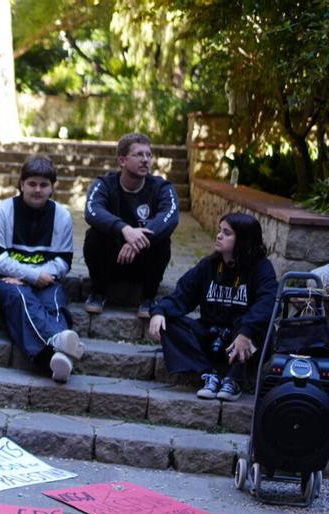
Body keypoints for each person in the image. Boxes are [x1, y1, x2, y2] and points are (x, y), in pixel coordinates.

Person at [148, 213, 277, 402]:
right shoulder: (208, 266)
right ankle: (208, 374)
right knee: (170, 322)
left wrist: (246, 332)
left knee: (262, 325)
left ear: (243, 239)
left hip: (243, 340)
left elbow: (267, 303)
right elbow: (182, 295)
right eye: (219, 231)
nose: (219, 236)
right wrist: (159, 312)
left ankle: (234, 379)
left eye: (227, 233)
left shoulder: (261, 268)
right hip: (211, 335)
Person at [0, 156, 85, 383]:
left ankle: (58, 359)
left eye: (43, 185)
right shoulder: (2, 211)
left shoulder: (62, 216)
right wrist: (32, 275)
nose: (37, 190)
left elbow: (63, 260)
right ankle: (58, 346)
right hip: (7, 280)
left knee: (55, 301)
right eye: (32, 184)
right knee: (21, 298)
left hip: (46, 279)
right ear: (21, 184)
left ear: (52, 188)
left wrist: (39, 277)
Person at [82, 132, 180, 318]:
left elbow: (171, 216)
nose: (145, 160)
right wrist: (124, 229)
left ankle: (148, 298)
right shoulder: (103, 184)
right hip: (112, 261)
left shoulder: (161, 187)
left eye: (148, 155)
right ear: (122, 160)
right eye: (138, 155)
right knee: (93, 235)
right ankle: (98, 293)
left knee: (163, 240)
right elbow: (92, 211)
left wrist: (138, 239)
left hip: (144, 263)